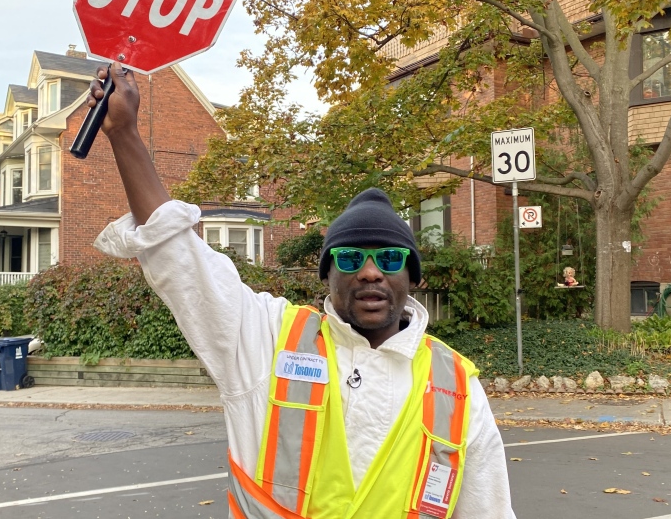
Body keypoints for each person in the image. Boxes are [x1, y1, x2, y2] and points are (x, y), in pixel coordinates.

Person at [87, 63, 516, 519]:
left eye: (389, 259)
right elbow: (181, 259)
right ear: (326, 276)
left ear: (412, 278)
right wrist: (125, 134)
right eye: (350, 259)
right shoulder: (267, 340)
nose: (370, 272)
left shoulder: (456, 387)